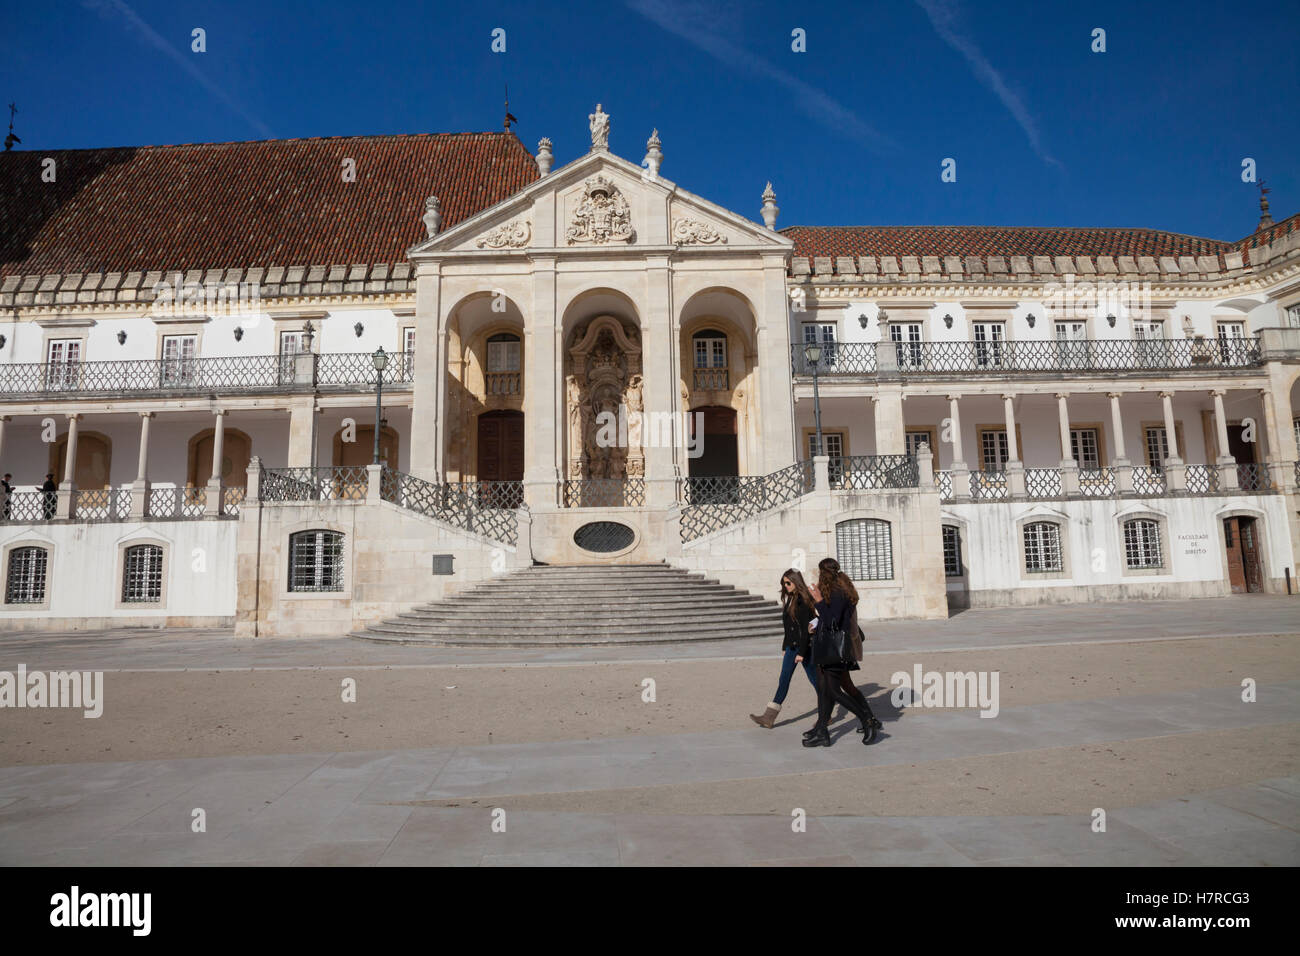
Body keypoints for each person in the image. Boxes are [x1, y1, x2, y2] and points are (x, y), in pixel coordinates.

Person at [803, 557, 882, 747]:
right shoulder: (837, 589)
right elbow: (828, 619)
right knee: (824, 689)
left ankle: (868, 720)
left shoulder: (838, 592)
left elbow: (834, 621)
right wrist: (816, 623)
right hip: (826, 646)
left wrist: (819, 601)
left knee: (834, 691)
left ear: (825, 573)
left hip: (834, 648)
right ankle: (822, 731)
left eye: (821, 573)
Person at [750, 569, 819, 728]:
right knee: (784, 679)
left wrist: (801, 653)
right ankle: (769, 717)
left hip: (803, 648)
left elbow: (804, 630)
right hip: (791, 647)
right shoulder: (790, 598)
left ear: (796, 582)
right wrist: (785, 646)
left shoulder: (802, 600)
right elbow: (789, 627)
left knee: (815, 679)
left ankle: (826, 712)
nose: (785, 585)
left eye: (788, 582)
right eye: (783, 583)